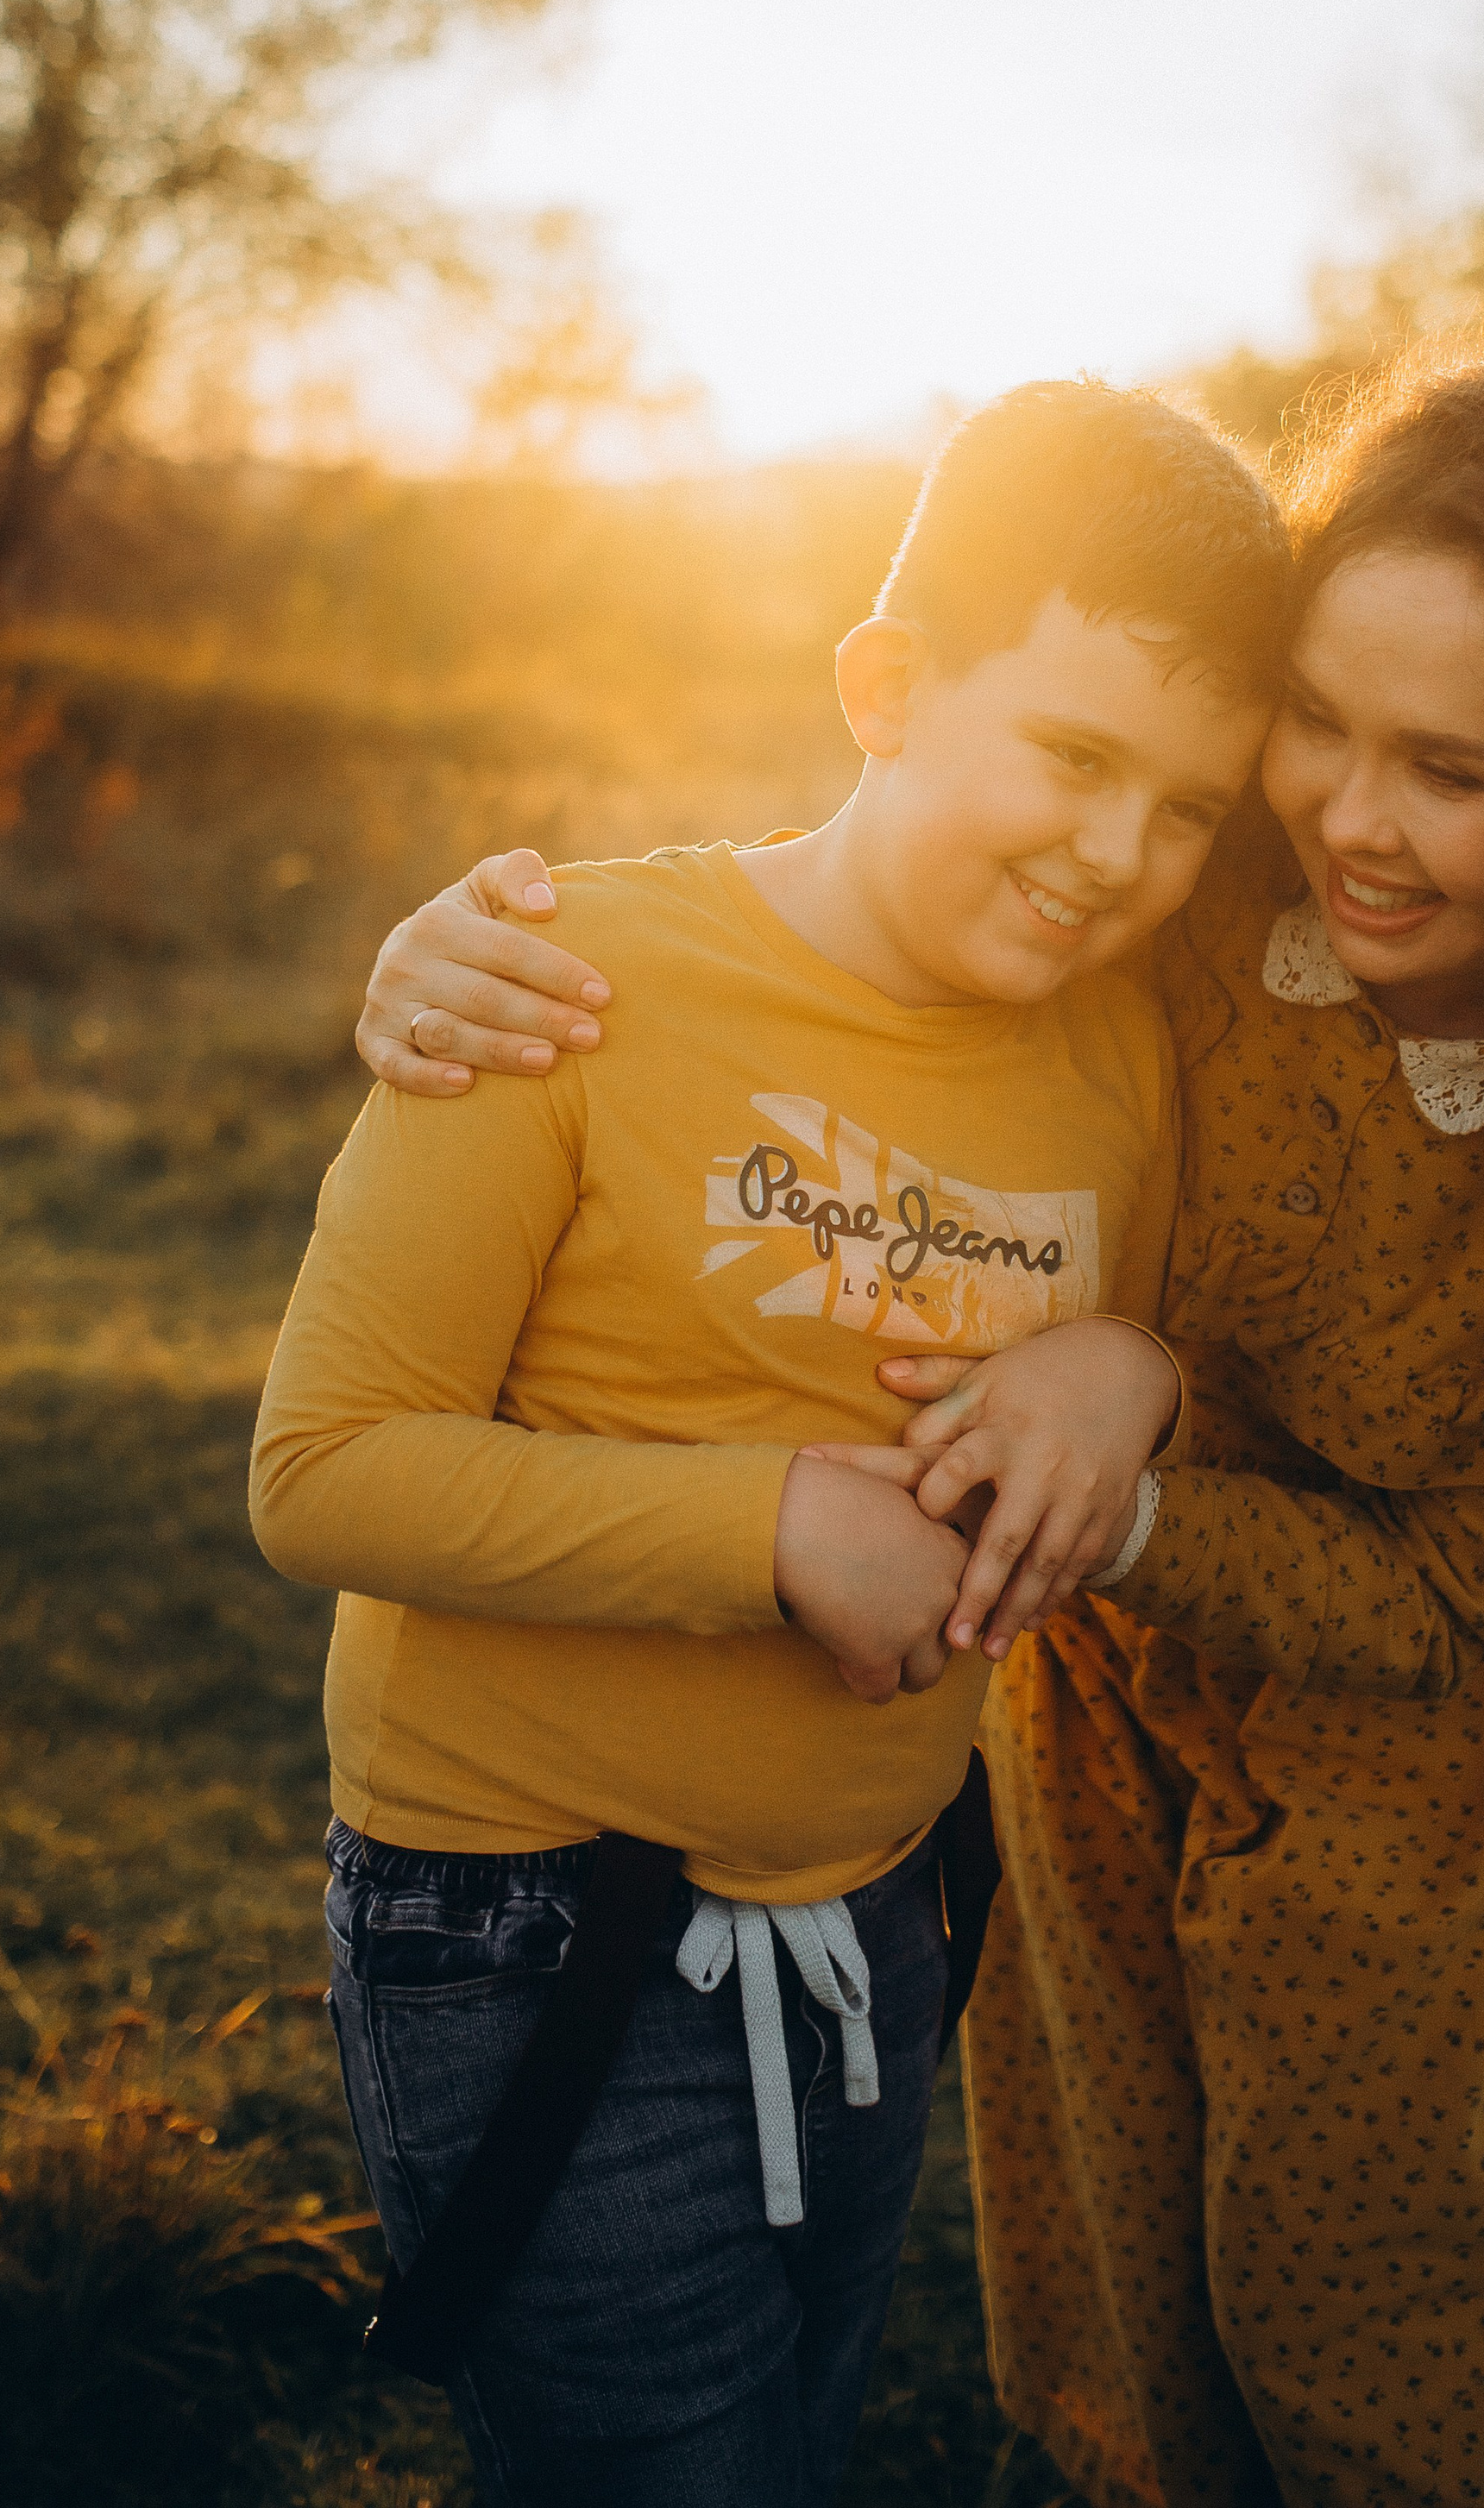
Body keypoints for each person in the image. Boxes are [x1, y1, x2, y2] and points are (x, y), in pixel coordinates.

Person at [360, 354, 1484, 2508]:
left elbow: (1445, 1599)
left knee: (1453, 2390)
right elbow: (911, 855)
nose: (1348, 817)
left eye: (1452, 771)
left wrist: (1134, 1442)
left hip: (1466, 1860)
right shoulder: (1195, 896)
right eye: (1314, 723)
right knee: (1146, 2357)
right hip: (1112, 1778)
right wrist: (465, 954)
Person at [251, 380, 1293, 2508]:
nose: (1119, 853)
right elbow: (326, 1469)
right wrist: (773, 1528)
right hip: (529, 1935)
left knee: (793, 2443)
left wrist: (1132, 1372)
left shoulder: (1120, 1049)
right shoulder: (561, 986)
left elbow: (1157, 1354)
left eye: (1186, 804)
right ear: (885, 688)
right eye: (1072, 755)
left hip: (883, 1918)